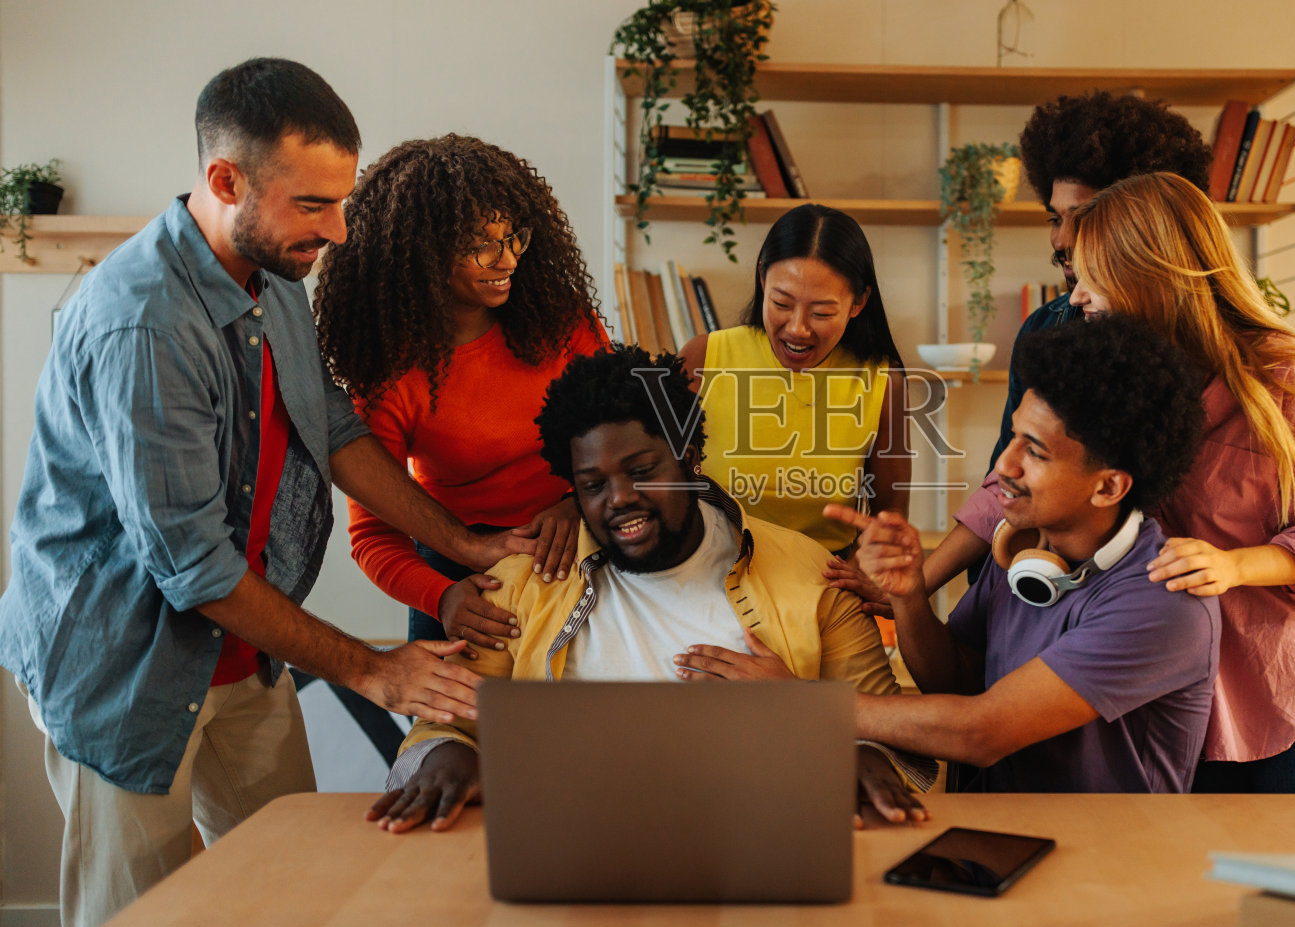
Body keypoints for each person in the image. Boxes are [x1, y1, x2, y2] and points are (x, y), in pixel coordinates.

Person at [0, 59, 540, 927]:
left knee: (288, 900)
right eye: (313, 205)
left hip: (244, 650)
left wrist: (465, 542)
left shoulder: (276, 276)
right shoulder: (143, 321)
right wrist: (372, 668)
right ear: (225, 181)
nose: (337, 230)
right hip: (124, 670)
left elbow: (330, 427)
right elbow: (194, 565)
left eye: (343, 200)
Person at [368, 347, 933, 834]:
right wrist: (448, 758)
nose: (618, 499)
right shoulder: (519, 584)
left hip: (759, 836)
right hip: (570, 843)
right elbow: (445, 721)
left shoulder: (808, 573)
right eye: (593, 485)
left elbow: (879, 722)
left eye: (641, 471)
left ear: (688, 457)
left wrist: (864, 758)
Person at [679, 317, 1220, 794]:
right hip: (997, 841)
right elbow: (954, 681)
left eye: (1034, 451)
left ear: (1108, 488)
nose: (1003, 465)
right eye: (1013, 437)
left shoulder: (1162, 603)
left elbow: (979, 731)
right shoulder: (1021, 546)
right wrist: (910, 596)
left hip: (1109, 869)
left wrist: (797, 702)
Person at [1061, 172, 1295, 794]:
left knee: (1289, 887)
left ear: (1147, 270)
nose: (1075, 297)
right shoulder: (1116, 379)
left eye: (1089, 276)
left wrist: (1234, 566)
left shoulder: (1282, 376)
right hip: (1160, 698)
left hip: (1280, 703)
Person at [908, 92, 1213, 594]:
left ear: (1144, 223)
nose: (1061, 239)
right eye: (1055, 218)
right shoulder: (1049, 328)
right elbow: (1007, 483)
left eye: (1084, 216)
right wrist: (918, 586)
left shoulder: (1234, 361)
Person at [315, 135, 606, 652]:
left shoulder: (562, 322)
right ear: (420, 256)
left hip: (580, 532)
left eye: (515, 236)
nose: (508, 258)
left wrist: (576, 500)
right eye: (481, 244)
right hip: (458, 561)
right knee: (450, 726)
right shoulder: (389, 377)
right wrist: (442, 596)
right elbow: (373, 534)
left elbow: (621, 432)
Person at [679, 203, 909, 556]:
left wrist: (868, 565)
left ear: (858, 302)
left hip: (822, 584)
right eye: (782, 303)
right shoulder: (701, 359)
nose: (798, 329)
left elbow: (889, 514)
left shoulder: (881, 379)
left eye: (822, 312)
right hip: (708, 576)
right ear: (762, 278)